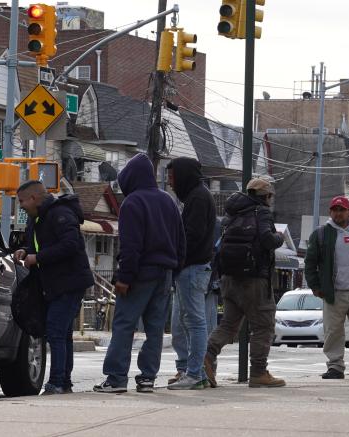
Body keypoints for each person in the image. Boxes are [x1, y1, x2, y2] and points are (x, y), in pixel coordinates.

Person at [93, 154, 186, 393]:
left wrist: (125, 278)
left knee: (124, 325)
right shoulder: (169, 201)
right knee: (154, 329)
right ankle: (147, 378)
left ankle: (115, 378)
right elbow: (181, 241)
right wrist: (174, 270)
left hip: (139, 273)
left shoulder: (132, 203)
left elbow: (131, 246)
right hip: (164, 273)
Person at [203, 178, 286, 388]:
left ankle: (207, 356)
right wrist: (279, 237)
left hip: (229, 279)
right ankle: (258, 372)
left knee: (229, 325)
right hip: (255, 280)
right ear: (266, 196)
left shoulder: (231, 215)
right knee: (263, 326)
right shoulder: (262, 212)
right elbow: (267, 240)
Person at [14, 180, 94, 395]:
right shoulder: (37, 218)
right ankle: (64, 382)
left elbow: (71, 245)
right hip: (56, 283)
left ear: (34, 198)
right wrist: (25, 250)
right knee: (62, 333)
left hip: (69, 282)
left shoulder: (60, 214)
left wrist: (37, 257)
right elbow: (40, 245)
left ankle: (57, 382)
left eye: (22, 201)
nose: (20, 205)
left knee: (55, 331)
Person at [304, 195, 349, 380]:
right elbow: (310, 263)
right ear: (330, 212)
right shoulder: (321, 234)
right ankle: (335, 367)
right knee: (333, 331)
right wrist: (315, 286)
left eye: (341, 210)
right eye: (335, 210)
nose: (338, 213)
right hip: (333, 292)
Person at [166, 158, 216, 390]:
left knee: (194, 322)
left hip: (192, 268)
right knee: (187, 321)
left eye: (172, 177)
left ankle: (194, 373)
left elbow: (191, 236)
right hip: (194, 268)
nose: (170, 182)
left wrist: (178, 258)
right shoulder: (198, 196)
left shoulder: (197, 197)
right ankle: (194, 373)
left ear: (183, 175)